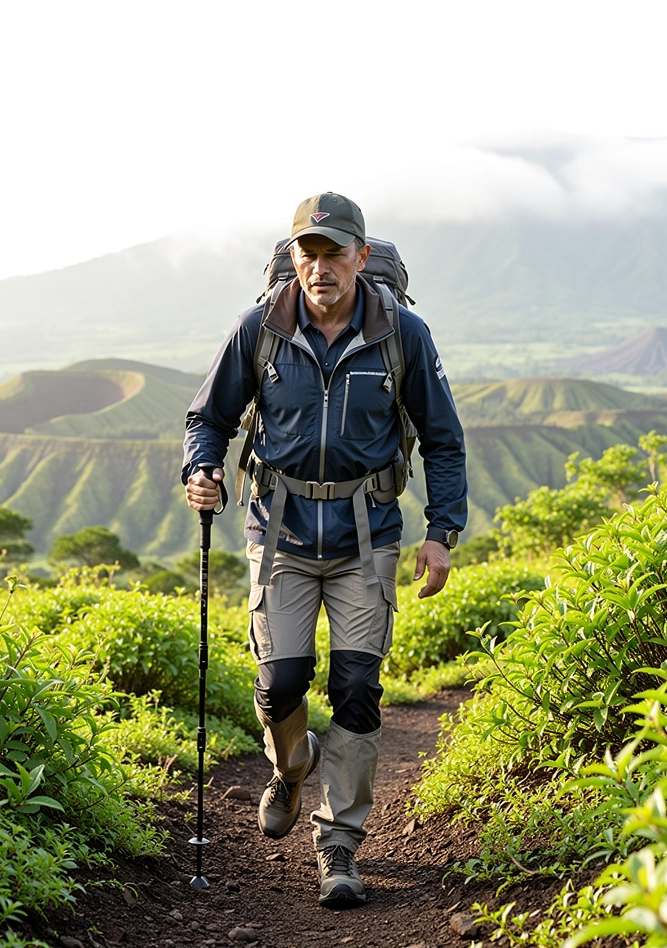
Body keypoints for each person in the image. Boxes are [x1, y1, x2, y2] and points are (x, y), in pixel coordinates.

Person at [182, 191, 467, 907]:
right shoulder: (260, 328)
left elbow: (443, 439)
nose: (319, 268)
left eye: (333, 253)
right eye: (307, 253)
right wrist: (202, 470)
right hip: (276, 530)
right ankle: (289, 768)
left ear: (361, 258)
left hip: (367, 536)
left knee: (357, 689)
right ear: (295, 260)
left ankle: (338, 843)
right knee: (280, 681)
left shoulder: (404, 334)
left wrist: (441, 532)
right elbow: (207, 417)